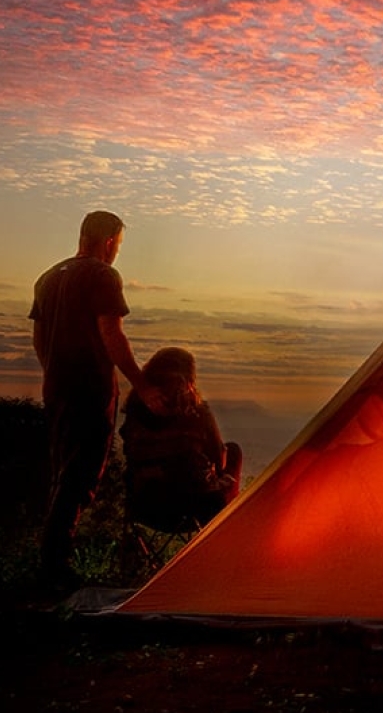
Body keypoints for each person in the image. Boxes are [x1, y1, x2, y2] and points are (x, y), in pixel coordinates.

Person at [30, 210, 162, 586]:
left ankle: (50, 562)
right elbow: (112, 334)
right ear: (109, 241)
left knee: (62, 470)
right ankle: (54, 570)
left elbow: (39, 339)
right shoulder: (103, 275)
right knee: (81, 474)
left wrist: (52, 373)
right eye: (118, 243)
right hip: (89, 388)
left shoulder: (48, 277)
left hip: (56, 388)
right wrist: (141, 383)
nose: (117, 250)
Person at [119, 347, 243, 531]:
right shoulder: (197, 412)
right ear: (189, 378)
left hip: (143, 508)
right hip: (195, 508)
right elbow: (220, 459)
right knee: (233, 451)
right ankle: (227, 530)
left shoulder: (134, 410)